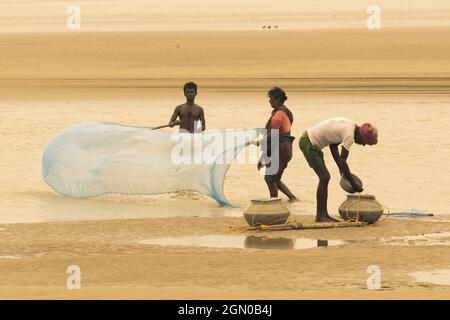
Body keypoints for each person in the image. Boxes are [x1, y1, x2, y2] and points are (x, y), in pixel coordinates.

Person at [299, 117, 378, 222]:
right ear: (360, 136)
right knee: (324, 177)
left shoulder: (350, 125)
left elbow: (333, 147)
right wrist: (353, 184)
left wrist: (341, 171)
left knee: (325, 178)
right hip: (308, 142)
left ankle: (324, 214)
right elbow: (343, 161)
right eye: (364, 142)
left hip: (310, 141)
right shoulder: (349, 135)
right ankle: (320, 216)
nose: (363, 145)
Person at [257, 87, 297, 201]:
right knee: (275, 178)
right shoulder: (285, 112)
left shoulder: (279, 114)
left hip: (281, 149)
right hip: (283, 148)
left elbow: (273, 136)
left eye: (271, 98)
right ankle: (293, 199)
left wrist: (260, 143)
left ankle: (274, 204)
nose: (269, 101)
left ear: (278, 99)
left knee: (270, 178)